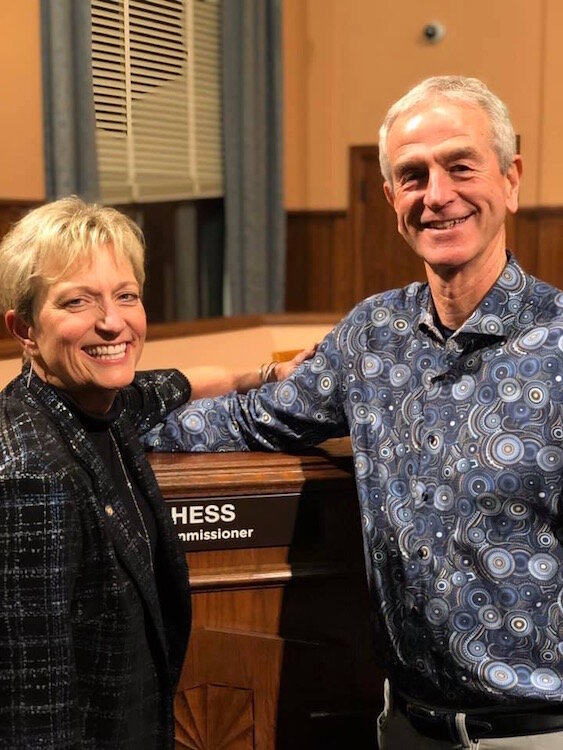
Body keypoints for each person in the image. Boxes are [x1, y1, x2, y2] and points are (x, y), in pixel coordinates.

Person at [143, 76, 563, 749]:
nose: (437, 194)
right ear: (392, 197)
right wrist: (95, 412)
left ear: (510, 179)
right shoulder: (372, 335)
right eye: (412, 175)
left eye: (460, 166)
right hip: (399, 726)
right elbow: (246, 420)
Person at [0, 196, 307, 749]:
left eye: (126, 296)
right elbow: (33, 709)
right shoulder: (31, 473)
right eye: (77, 302)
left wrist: (262, 373)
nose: (112, 321)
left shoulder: (101, 404)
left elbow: (173, 383)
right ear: (24, 328)